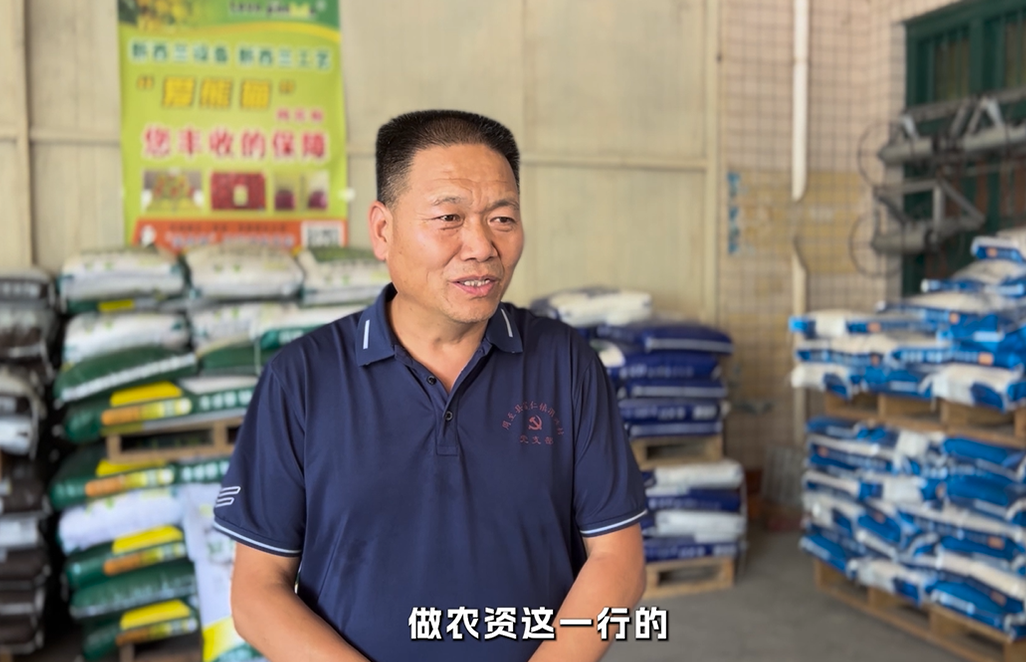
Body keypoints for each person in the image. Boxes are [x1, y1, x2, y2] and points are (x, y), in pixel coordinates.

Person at [213, 109, 649, 662]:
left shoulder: (566, 364)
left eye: (502, 218)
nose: (481, 246)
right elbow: (257, 592)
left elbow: (618, 561)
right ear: (383, 230)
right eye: (449, 217)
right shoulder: (302, 378)